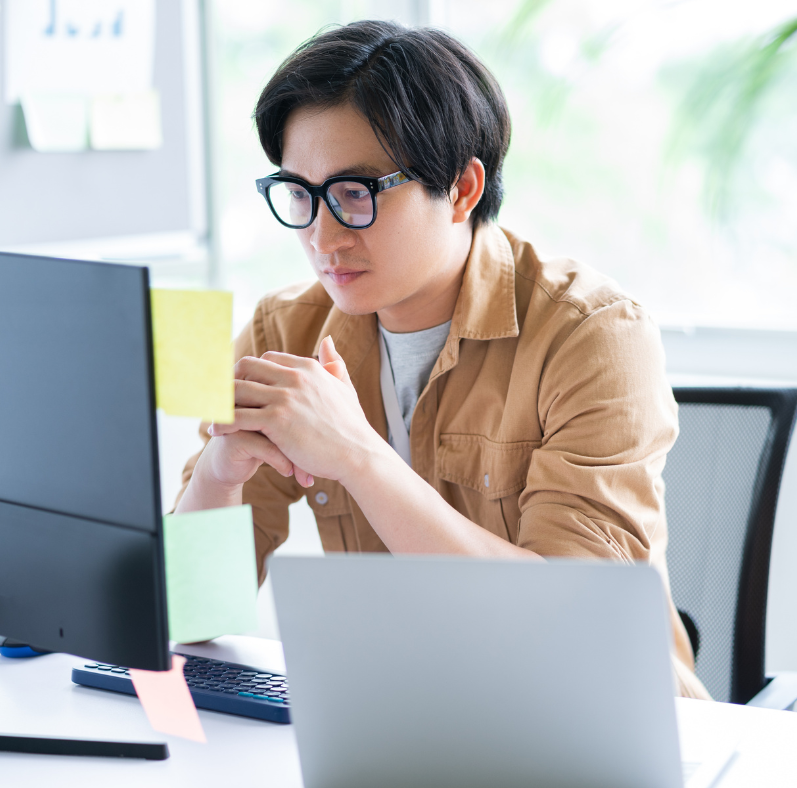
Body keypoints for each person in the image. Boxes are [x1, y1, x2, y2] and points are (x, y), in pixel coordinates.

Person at [174, 19, 710, 700]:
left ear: (461, 189)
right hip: (407, 711)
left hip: (596, 716)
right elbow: (186, 617)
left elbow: (573, 626)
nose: (322, 235)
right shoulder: (284, 328)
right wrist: (219, 474)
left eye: (354, 194)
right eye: (301, 194)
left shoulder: (594, 336)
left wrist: (358, 457)